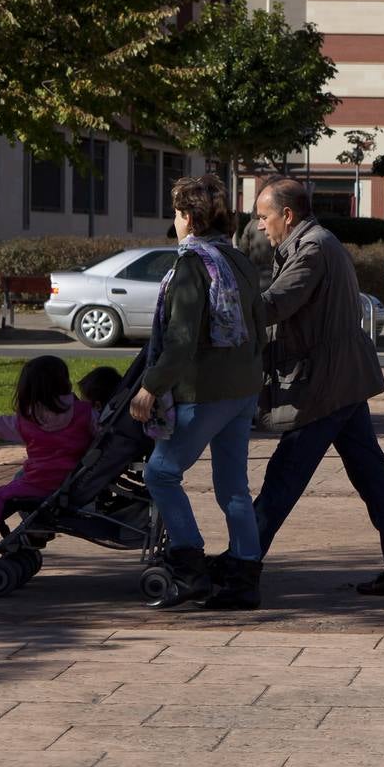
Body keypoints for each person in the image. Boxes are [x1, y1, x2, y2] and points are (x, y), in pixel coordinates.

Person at [252, 178, 384, 598]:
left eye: (264, 217)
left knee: (285, 474)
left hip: (326, 383)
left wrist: (221, 300)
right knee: (373, 477)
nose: (260, 227)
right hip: (342, 378)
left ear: (287, 215)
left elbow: (275, 304)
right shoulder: (314, 243)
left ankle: (242, 559)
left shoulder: (311, 250)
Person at [126, 174, 266, 609]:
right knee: (233, 488)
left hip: (204, 391)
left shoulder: (191, 265)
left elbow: (181, 340)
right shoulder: (237, 259)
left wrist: (149, 388)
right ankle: (244, 576)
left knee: (160, 473)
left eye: (176, 212)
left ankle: (190, 569)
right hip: (243, 389)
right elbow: (260, 326)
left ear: (188, 216)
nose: (176, 220)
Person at [0, 357, 94, 558]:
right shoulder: (86, 413)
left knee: (0, 496)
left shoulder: (26, 420)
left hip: (39, 482)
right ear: (65, 382)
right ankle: (34, 532)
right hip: (75, 480)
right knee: (20, 476)